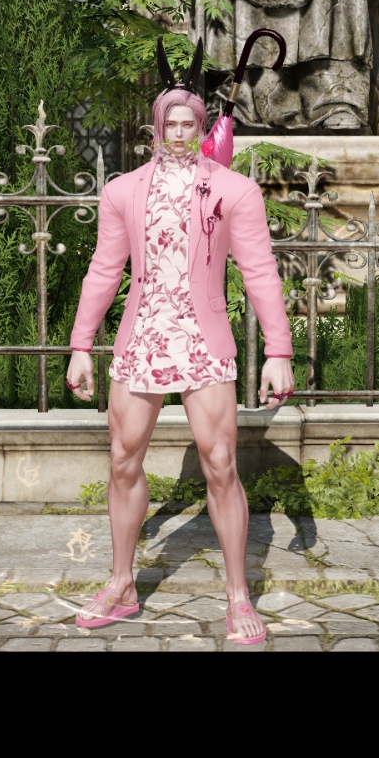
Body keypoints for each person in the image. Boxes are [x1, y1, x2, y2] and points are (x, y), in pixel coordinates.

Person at [65, 43, 296, 646]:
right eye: (168, 123)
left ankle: (238, 595)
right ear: (155, 126)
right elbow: (103, 270)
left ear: (202, 125)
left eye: (188, 122)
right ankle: (122, 585)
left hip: (202, 341)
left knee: (220, 465)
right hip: (141, 338)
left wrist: (278, 352)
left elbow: (260, 271)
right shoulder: (122, 191)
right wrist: (81, 344)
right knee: (123, 460)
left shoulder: (235, 191)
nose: (177, 132)